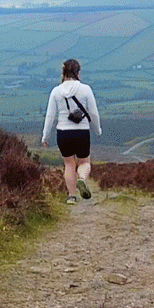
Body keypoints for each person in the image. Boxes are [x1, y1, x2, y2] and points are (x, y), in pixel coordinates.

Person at [42, 58, 100, 204]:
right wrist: (97, 129)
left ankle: (72, 197)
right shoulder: (86, 89)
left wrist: (45, 136)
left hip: (63, 132)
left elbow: (50, 116)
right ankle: (81, 179)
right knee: (84, 162)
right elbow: (93, 113)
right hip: (81, 131)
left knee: (68, 164)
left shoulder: (56, 91)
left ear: (63, 72)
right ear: (78, 72)